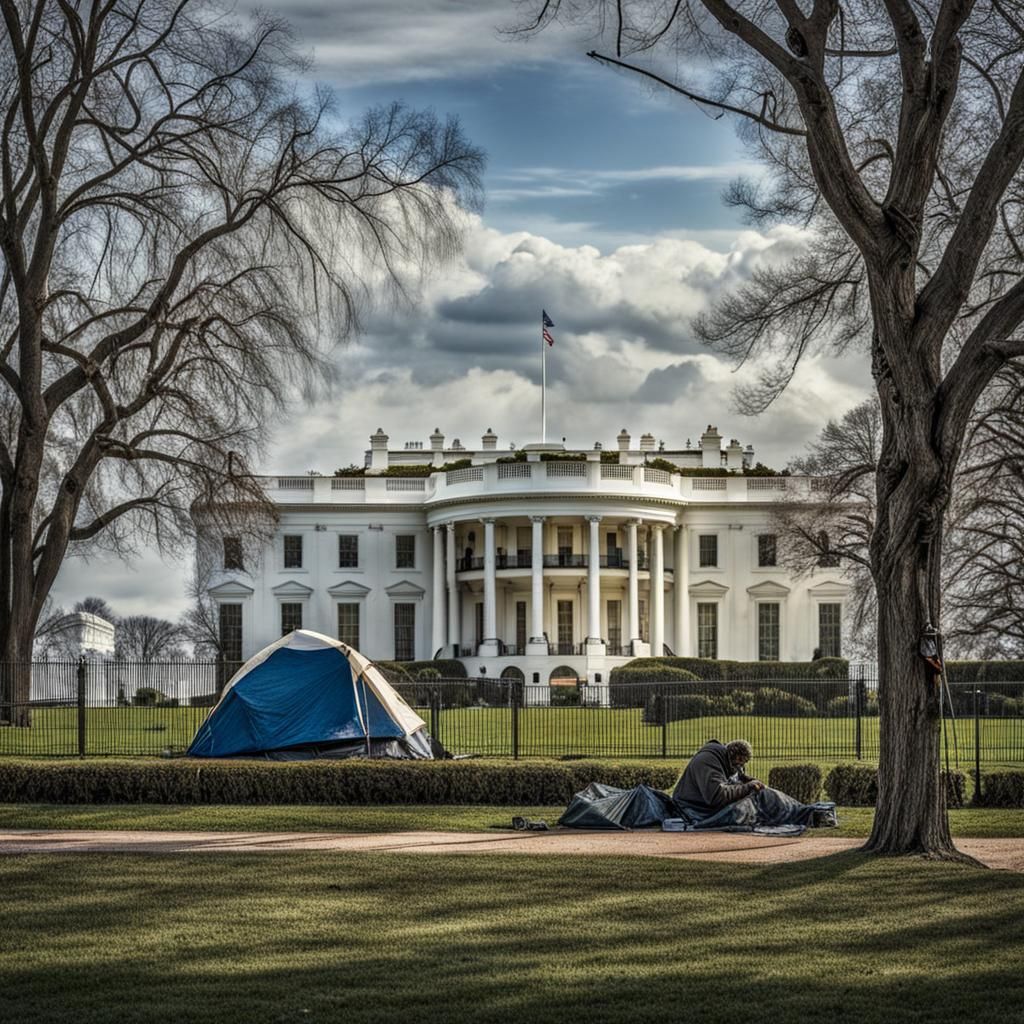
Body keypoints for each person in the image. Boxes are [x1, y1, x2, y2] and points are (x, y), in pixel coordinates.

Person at [672, 738, 764, 818]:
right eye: (739, 761)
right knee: (740, 813)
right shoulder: (708, 761)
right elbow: (716, 795)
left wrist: (745, 780)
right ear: (731, 754)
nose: (740, 767)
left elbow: (733, 782)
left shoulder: (726, 761)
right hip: (689, 808)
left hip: (702, 806)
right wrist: (747, 787)